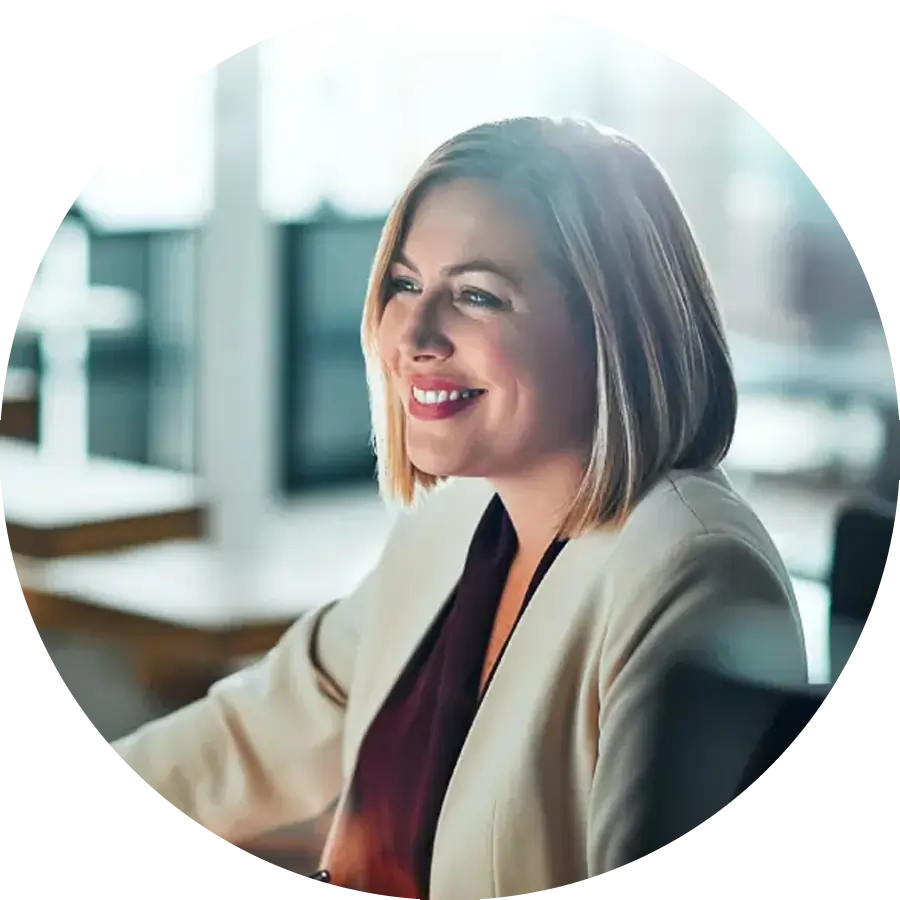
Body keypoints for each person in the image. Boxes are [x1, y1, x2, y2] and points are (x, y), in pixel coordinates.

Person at [107, 117, 806, 897]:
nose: (414, 333)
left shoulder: (691, 567)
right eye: (405, 283)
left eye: (477, 295)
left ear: (610, 325)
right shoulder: (457, 521)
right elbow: (258, 732)